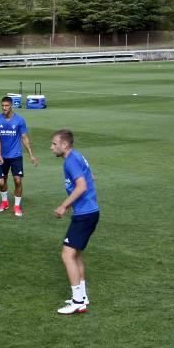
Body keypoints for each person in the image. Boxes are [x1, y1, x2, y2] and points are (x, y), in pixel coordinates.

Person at [51, 129, 100, 315]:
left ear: (65, 145)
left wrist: (64, 206)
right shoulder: (77, 156)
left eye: (54, 144)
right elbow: (91, 176)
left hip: (85, 214)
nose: (51, 147)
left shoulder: (71, 161)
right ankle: (82, 296)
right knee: (75, 255)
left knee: (67, 254)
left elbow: (82, 186)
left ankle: (77, 301)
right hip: (89, 212)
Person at [0, 96, 38, 216]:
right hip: (2, 156)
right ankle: (4, 202)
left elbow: (24, 138)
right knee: (2, 182)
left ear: (11, 105)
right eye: (2, 106)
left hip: (16, 156)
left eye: (7, 106)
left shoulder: (19, 120)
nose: (4, 108)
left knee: (17, 180)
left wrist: (31, 155)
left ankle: (17, 206)